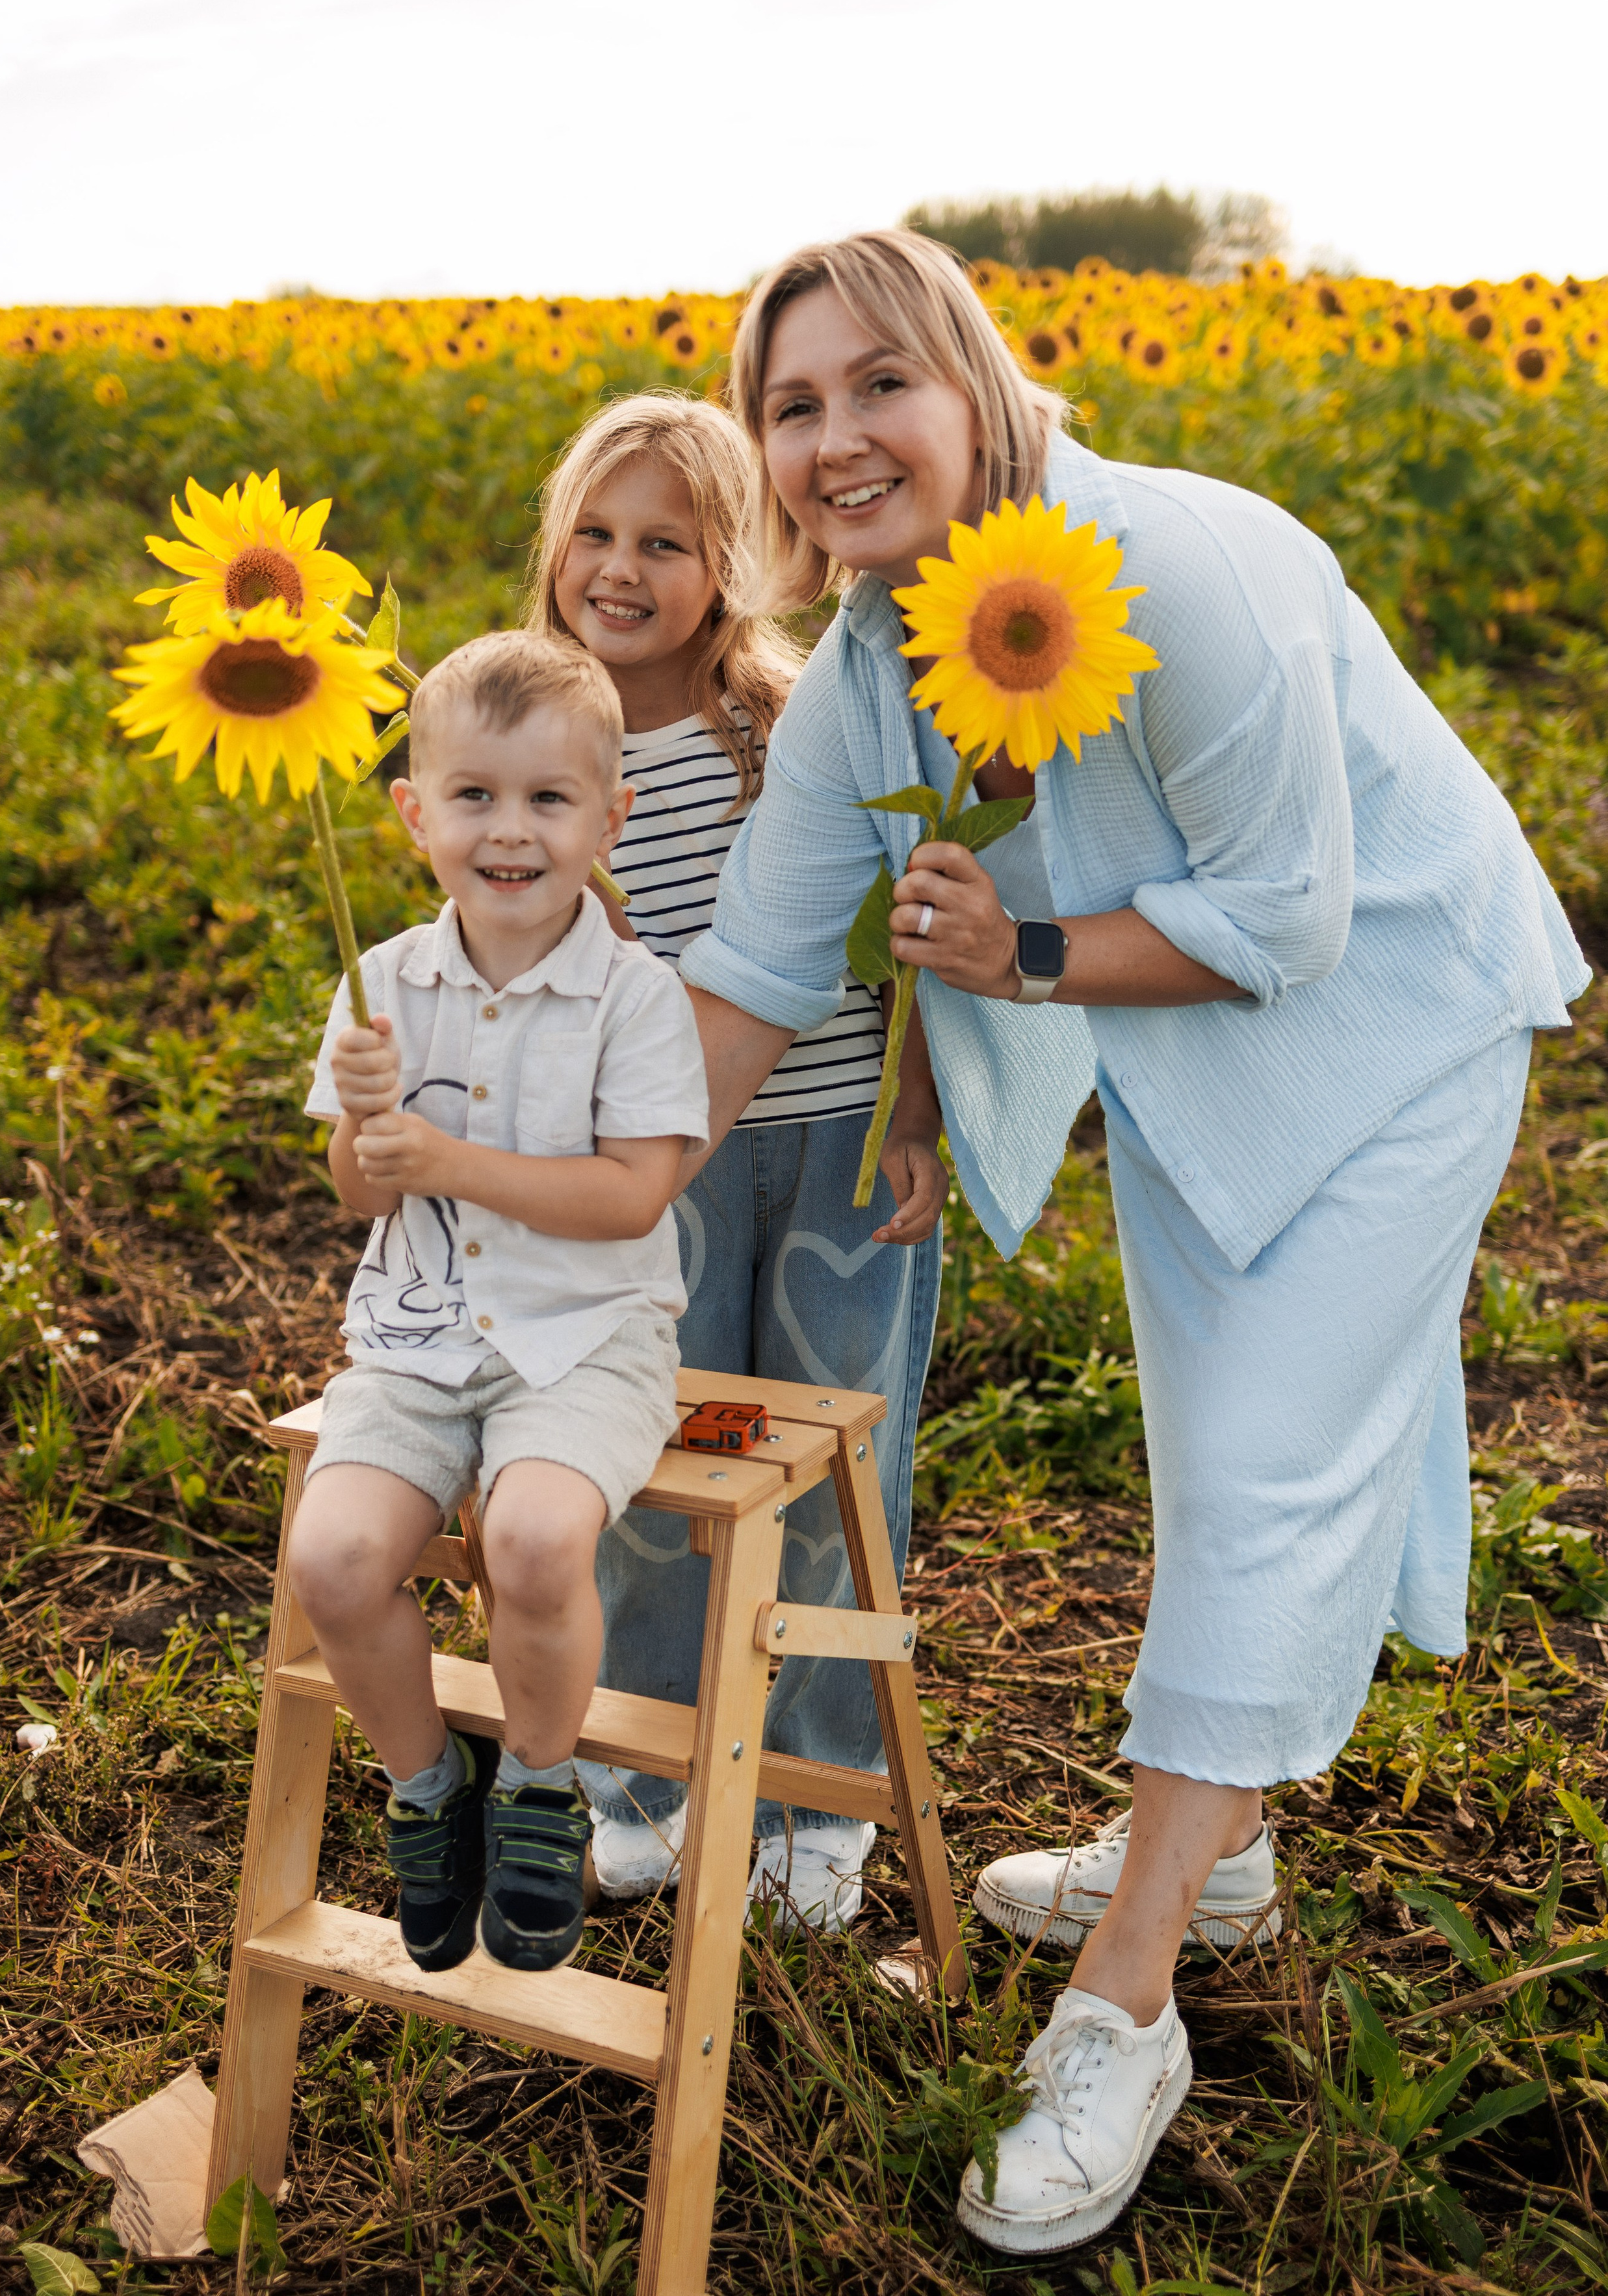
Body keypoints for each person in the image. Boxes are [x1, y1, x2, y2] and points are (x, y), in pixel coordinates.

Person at [673, 229, 1590, 2252]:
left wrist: (1025, 952)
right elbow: (748, 969)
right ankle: (1225, 1845)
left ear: (979, 379)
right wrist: (576, 1191)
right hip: (1189, 1063)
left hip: (1396, 1032)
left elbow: (1295, 918)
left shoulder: (1183, 567)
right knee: (1229, 1463)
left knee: (1269, 1474)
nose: (835, 439)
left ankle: (1131, 1997)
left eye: (877, 384)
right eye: (792, 404)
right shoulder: (864, 669)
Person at [525, 390, 946, 1929]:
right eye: (594, 532)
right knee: (653, 1467)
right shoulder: (537, 743)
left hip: (832, 1141)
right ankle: (646, 1777)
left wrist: (914, 1108)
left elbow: (898, 931)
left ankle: (809, 1808)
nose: (619, 569)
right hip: (656, 1169)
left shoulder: (788, 721)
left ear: (737, 562)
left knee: (837, 1475)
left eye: (667, 542)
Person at [286, 632, 708, 1976]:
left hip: (589, 1340)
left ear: (608, 816)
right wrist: (362, 1125)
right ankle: (430, 1787)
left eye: (546, 799)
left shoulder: (635, 999)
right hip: (415, 1341)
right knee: (333, 1562)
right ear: (415, 812)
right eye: (473, 796)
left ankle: (536, 1779)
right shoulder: (382, 988)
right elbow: (360, 1194)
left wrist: (451, 1159)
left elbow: (635, 1196)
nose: (508, 831)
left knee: (529, 1538)